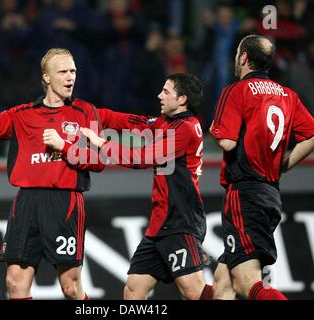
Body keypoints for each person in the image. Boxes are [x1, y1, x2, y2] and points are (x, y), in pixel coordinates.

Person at [0, 48, 105, 300]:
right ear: (46, 77)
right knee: (15, 282)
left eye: (73, 71)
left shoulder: (85, 112)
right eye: (63, 72)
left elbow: (98, 161)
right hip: (26, 203)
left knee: (70, 287)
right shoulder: (23, 115)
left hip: (64, 202)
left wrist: (64, 146)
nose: (70, 77)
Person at [44, 73, 214, 300]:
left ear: (182, 99)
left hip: (180, 220)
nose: (159, 95)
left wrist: (100, 142)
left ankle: (228, 292)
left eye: (166, 91)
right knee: (134, 290)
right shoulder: (166, 123)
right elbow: (127, 121)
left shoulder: (186, 128)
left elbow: (142, 158)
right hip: (160, 223)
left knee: (193, 291)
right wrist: (82, 111)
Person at [209, 34, 314, 300]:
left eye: (238, 52)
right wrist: (282, 166)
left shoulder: (236, 90)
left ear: (244, 58)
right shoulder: (287, 95)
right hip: (270, 194)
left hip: (245, 195)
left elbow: (226, 142)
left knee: (246, 282)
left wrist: (213, 128)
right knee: (222, 284)